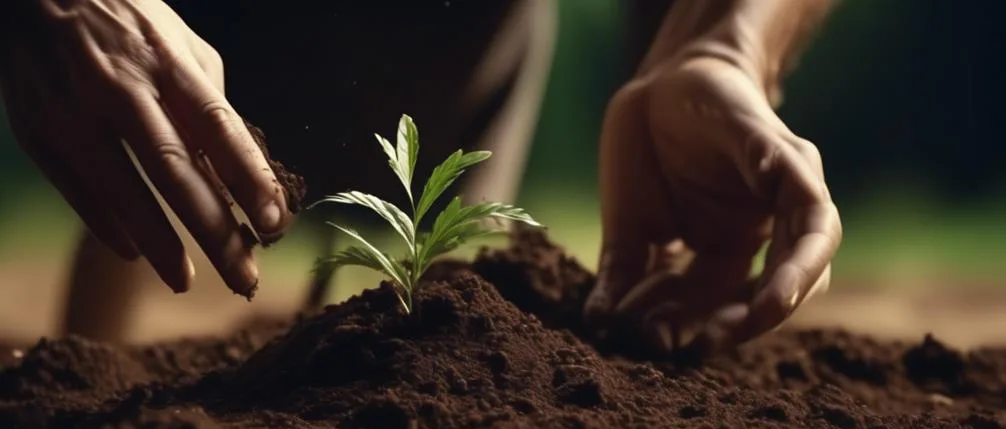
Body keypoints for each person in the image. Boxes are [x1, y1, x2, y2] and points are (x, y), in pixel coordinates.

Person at [0, 0, 840, 355]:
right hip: (214, 31)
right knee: (151, 207)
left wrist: (726, 40)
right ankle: (80, 385)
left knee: (439, 323)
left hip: (467, 53)